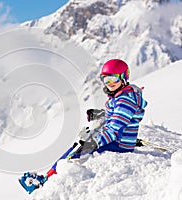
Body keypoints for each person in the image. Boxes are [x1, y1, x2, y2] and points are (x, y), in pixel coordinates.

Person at [19, 59, 148, 193]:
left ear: (124, 77)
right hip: (119, 140)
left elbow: (114, 129)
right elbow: (117, 116)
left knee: (79, 151)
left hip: (119, 144)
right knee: (77, 146)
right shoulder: (122, 95)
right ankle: (48, 176)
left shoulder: (124, 100)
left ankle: (49, 181)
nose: (110, 84)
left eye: (113, 79)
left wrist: (94, 143)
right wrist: (101, 115)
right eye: (106, 80)